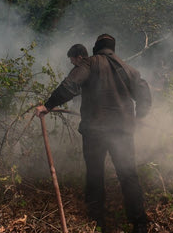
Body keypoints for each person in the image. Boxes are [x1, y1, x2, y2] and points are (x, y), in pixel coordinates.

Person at [35, 34, 152, 233]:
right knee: (128, 174)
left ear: (96, 47)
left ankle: (97, 221)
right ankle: (139, 223)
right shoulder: (128, 69)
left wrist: (47, 105)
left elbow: (69, 86)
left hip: (95, 131)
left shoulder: (90, 63)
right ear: (112, 48)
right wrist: (139, 117)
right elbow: (144, 95)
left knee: (95, 174)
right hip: (122, 131)